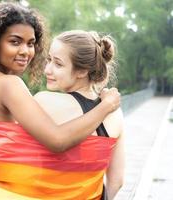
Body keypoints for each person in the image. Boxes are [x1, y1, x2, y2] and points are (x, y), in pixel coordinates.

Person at [0, 2, 121, 200]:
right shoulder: (10, 85)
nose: (25, 51)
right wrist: (106, 106)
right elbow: (57, 140)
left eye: (30, 43)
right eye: (15, 42)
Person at [34, 30, 124, 199]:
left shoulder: (43, 102)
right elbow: (117, 181)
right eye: (49, 60)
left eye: (58, 64)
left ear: (82, 71)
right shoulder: (114, 112)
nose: (47, 69)